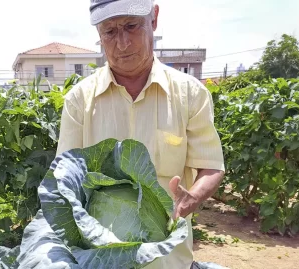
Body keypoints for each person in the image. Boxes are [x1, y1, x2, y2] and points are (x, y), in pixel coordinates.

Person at [56, 0, 226, 268]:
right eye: (109, 32)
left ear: (154, 18)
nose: (122, 43)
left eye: (131, 26)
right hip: (101, 258)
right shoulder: (79, 101)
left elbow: (211, 166)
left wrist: (192, 197)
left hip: (168, 259)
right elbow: (65, 181)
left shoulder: (191, 94)